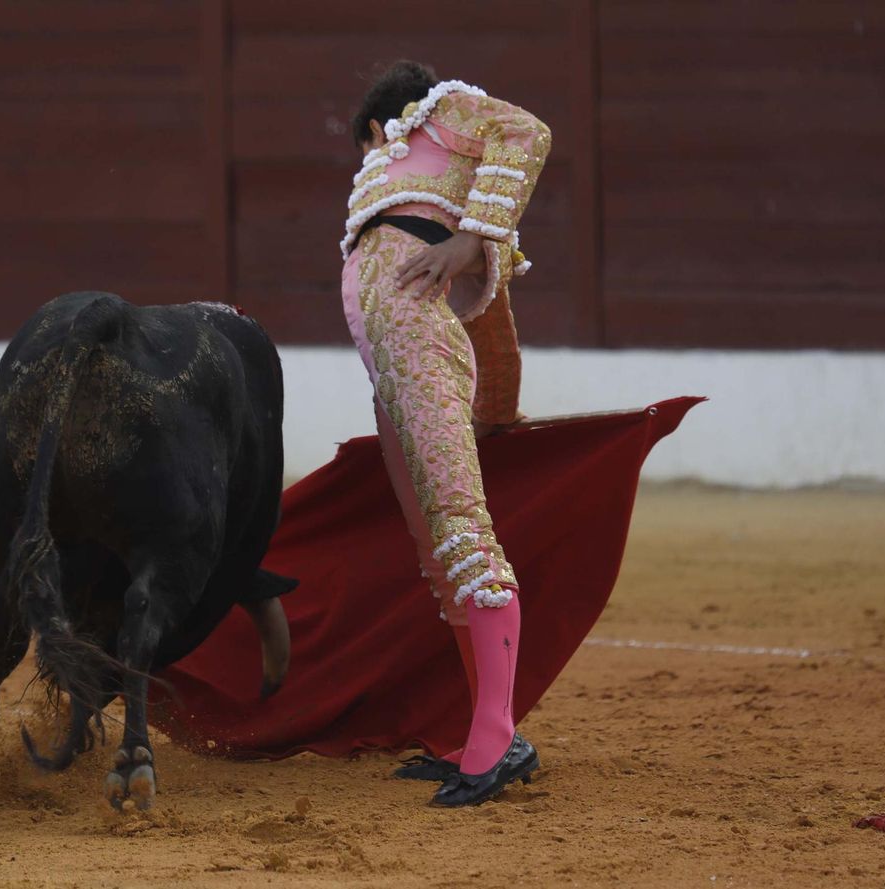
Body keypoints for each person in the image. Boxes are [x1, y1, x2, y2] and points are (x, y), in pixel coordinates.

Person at [340, 60, 551, 806]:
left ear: (376, 128)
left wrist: (474, 235)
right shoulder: (422, 178)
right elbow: (491, 321)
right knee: (440, 556)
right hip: (392, 367)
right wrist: (498, 398)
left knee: (464, 533)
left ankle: (496, 735)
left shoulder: (442, 110)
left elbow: (527, 131)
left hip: (414, 344)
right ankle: (490, 728)